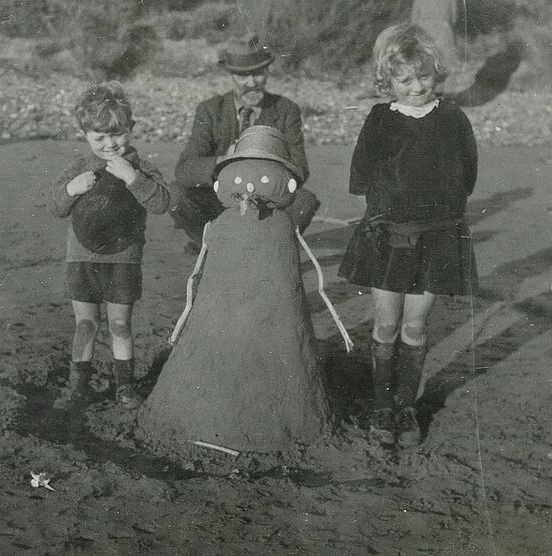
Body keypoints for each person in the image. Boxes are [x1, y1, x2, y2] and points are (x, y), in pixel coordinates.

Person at [337, 23, 479, 446]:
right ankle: (382, 407)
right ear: (388, 81)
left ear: (436, 74)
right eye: (405, 80)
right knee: (386, 323)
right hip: (390, 239)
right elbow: (361, 176)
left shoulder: (453, 119)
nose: (417, 87)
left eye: (424, 77)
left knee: (415, 327)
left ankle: (406, 408)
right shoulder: (380, 120)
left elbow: (467, 175)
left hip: (438, 240)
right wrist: (393, 203)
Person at [50, 82, 172, 411]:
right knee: (86, 324)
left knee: (120, 324)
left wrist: (133, 178)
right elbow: (56, 206)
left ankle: (125, 387)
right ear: (85, 134)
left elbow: (162, 203)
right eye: (99, 137)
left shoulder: (141, 168)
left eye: (117, 135)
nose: (110, 145)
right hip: (81, 257)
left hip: (124, 258)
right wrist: (72, 189)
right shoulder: (79, 167)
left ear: (130, 128)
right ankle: (79, 385)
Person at [169, 34, 320, 253]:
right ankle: (212, 245)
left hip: (266, 197)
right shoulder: (210, 110)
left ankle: (267, 251)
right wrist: (224, 160)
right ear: (230, 75)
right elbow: (185, 170)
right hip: (219, 196)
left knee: (304, 202)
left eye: (258, 73)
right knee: (176, 195)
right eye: (243, 75)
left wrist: (264, 166)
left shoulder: (286, 110)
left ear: (267, 71)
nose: (252, 83)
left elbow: (300, 169)